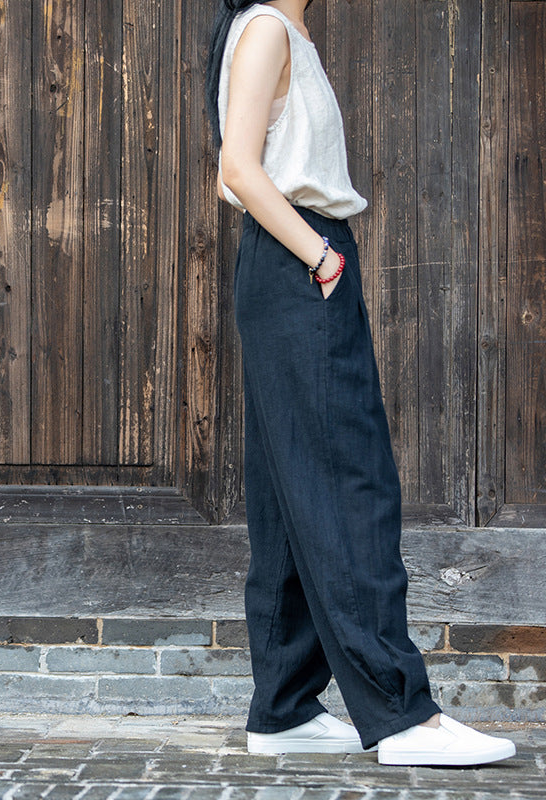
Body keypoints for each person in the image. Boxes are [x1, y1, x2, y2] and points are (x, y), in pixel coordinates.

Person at [204, 0, 516, 767]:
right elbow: (235, 169)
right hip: (299, 255)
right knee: (351, 484)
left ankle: (283, 708)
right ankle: (402, 715)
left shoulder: (284, 31)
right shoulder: (267, 27)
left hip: (291, 258)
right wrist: (320, 257)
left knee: (290, 493)